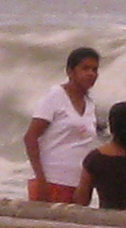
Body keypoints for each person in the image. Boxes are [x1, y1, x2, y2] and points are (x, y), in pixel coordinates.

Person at [23, 46, 105, 203]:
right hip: (51, 181)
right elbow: (30, 137)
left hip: (78, 185)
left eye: (95, 69)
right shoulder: (55, 96)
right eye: (85, 68)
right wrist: (41, 180)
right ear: (70, 71)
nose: (91, 74)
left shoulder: (90, 105)